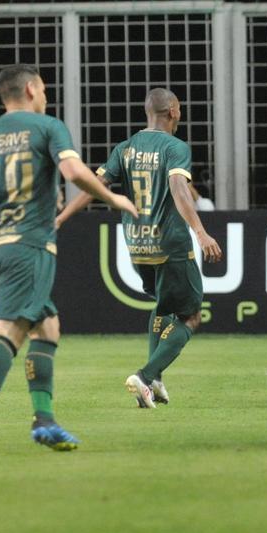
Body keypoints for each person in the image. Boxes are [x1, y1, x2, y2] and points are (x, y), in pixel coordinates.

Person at [0, 64, 137, 455]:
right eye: (43, 89)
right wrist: (113, 198)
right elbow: (74, 170)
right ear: (30, 89)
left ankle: (45, 421)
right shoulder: (47, 127)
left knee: (47, 327)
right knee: (9, 332)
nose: (45, 96)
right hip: (27, 247)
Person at [55, 88, 222, 409]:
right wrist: (200, 232)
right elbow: (177, 186)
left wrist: (61, 218)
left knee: (163, 305)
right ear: (173, 111)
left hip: (136, 244)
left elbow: (94, 185)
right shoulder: (176, 147)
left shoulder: (125, 148)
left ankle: (154, 380)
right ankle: (146, 375)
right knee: (190, 316)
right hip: (170, 243)